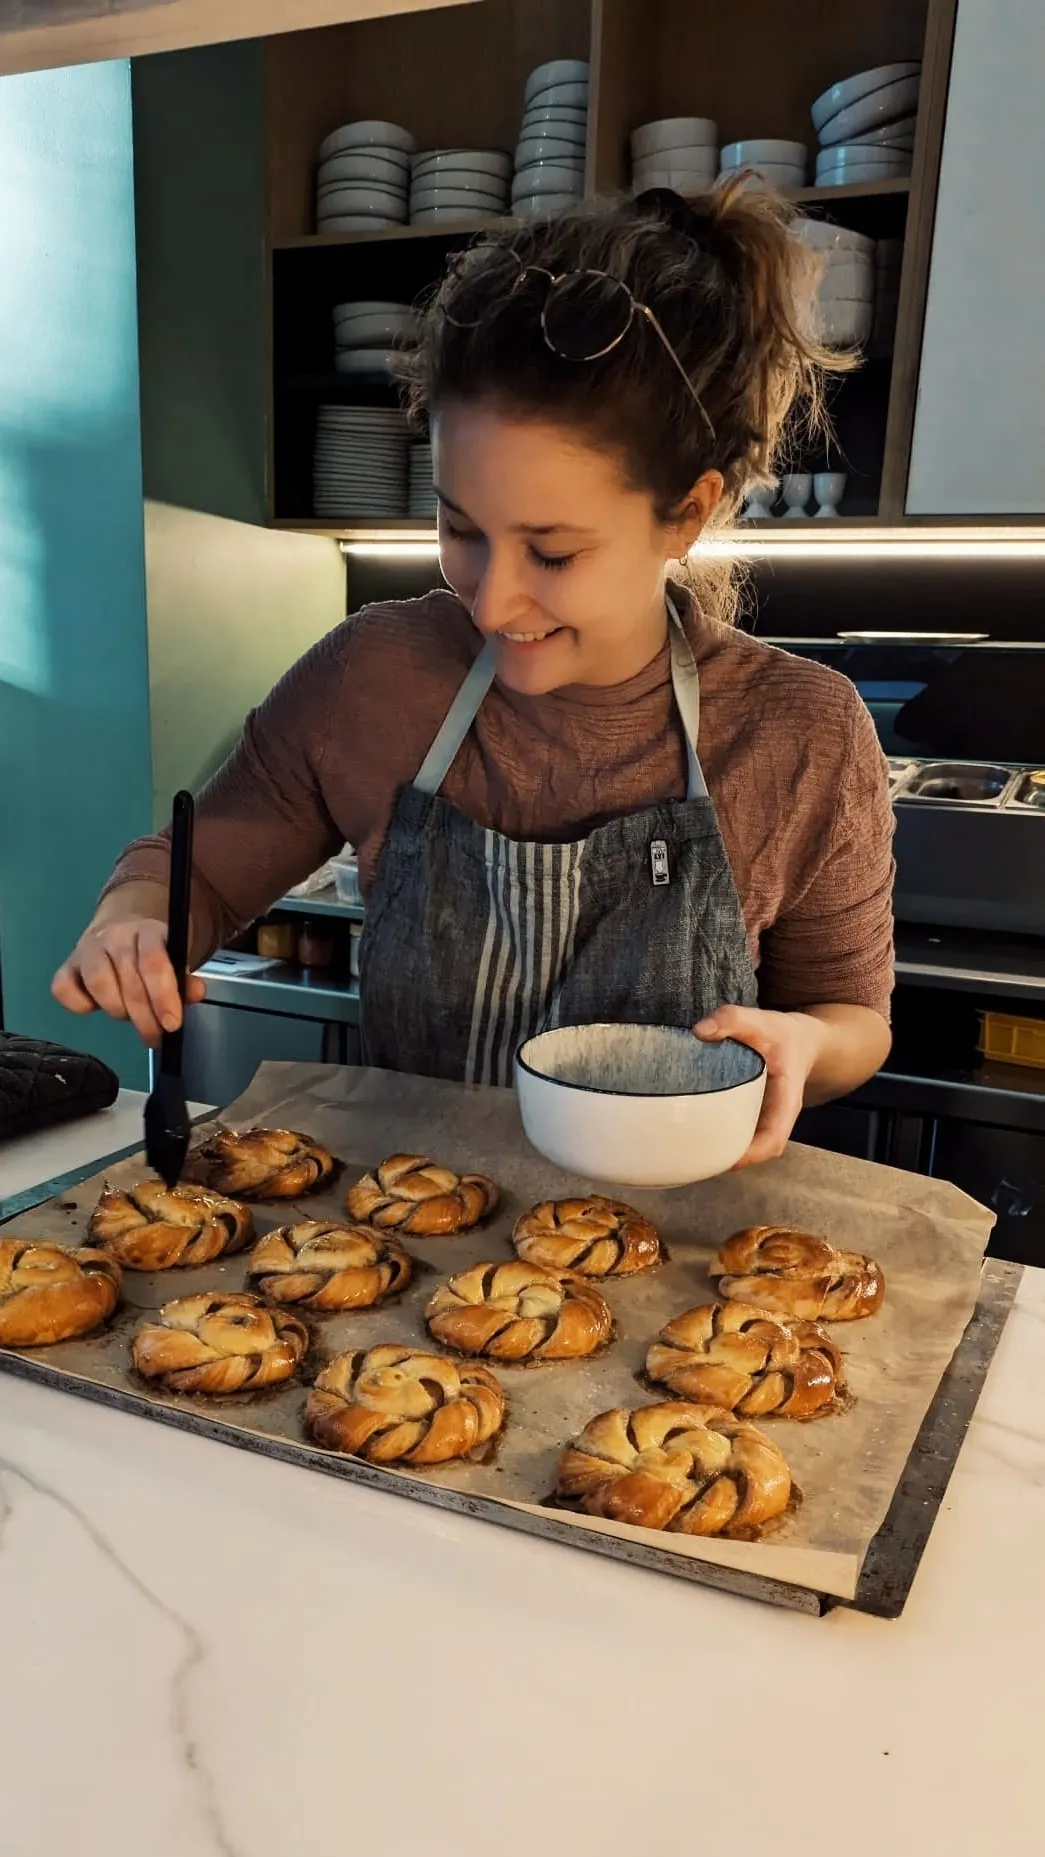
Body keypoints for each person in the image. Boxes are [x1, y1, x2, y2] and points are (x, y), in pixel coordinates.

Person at [53, 181, 894, 1167]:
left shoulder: (800, 731)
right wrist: (132, 922)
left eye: (552, 552)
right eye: (458, 529)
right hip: (400, 1235)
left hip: (672, 1246)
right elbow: (190, 877)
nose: (491, 603)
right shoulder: (372, 678)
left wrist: (806, 1044)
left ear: (685, 513)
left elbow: (850, 1016)